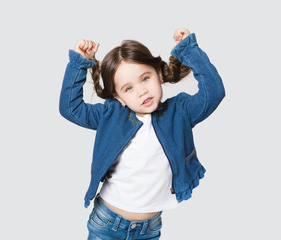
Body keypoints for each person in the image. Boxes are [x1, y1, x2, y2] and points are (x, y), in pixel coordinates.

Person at [59, 28, 225, 239]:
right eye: (128, 88)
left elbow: (214, 92)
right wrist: (79, 63)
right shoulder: (111, 115)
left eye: (145, 78)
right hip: (107, 224)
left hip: (149, 229)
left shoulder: (179, 112)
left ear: (159, 74)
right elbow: (70, 109)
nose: (141, 91)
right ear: (118, 97)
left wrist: (188, 49)